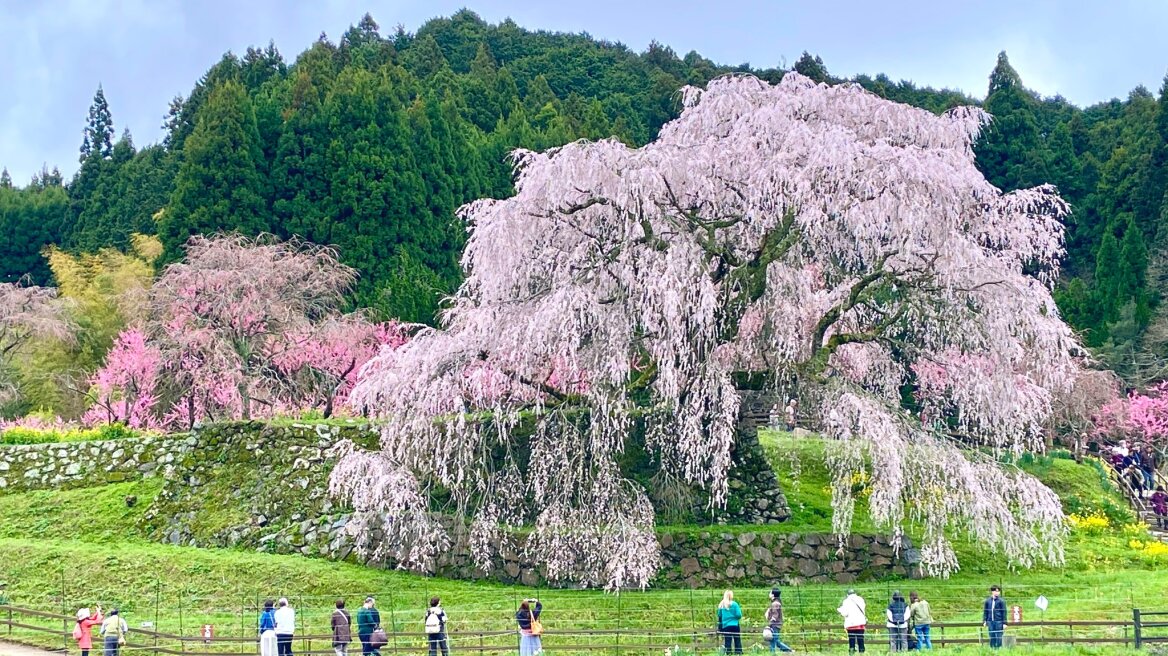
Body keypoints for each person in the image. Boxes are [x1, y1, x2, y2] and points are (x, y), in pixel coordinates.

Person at [838, 589, 867, 654]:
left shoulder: (846, 601)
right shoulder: (860, 599)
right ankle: (862, 651)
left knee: (851, 639)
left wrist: (840, 610)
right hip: (860, 622)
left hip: (851, 623)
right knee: (860, 638)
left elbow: (845, 613)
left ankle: (852, 651)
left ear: (847, 594)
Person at [764, 589, 793, 653]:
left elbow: (774, 616)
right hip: (776, 624)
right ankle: (788, 650)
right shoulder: (775, 602)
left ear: (773, 595)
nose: (769, 594)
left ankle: (773, 653)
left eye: (770, 593)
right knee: (775, 640)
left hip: (775, 624)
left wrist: (769, 624)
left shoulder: (775, 603)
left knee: (773, 640)